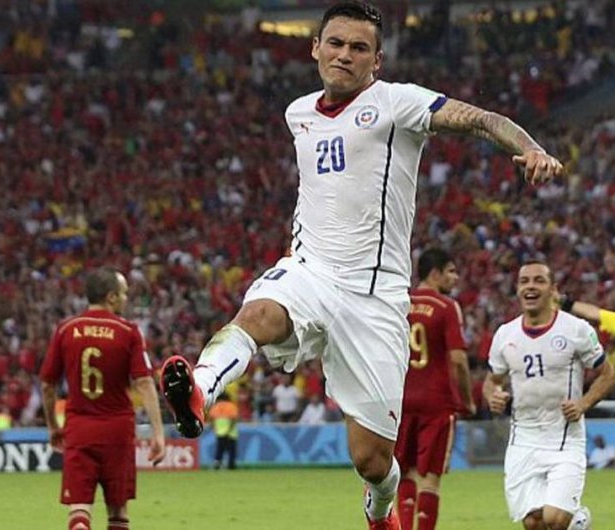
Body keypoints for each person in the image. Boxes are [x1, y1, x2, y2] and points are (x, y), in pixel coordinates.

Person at [158, 2, 563, 528]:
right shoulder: (298, 113)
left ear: (377, 59)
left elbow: (482, 119)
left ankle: (380, 508)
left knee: (371, 460)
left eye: (358, 48)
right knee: (257, 314)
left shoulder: (398, 103)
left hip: (375, 298)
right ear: (315, 47)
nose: (344, 55)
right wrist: (295, 251)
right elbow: (319, 194)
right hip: (311, 271)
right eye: (335, 43)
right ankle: (200, 389)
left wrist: (530, 148)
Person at [484, 261, 615, 530]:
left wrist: (584, 403)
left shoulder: (576, 330)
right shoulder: (504, 335)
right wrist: (493, 395)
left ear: (553, 290)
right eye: (524, 281)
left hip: (565, 439)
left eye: (539, 280)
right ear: (518, 289)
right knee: (534, 523)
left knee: (555, 519)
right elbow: (491, 381)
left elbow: (607, 373)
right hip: (523, 439)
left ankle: (576, 518)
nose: (530, 286)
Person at [40, 268, 166, 530]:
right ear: (111, 297)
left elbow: (48, 385)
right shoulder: (128, 331)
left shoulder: (66, 330)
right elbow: (143, 382)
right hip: (117, 431)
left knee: (79, 510)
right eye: (124, 294)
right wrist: (158, 432)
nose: (126, 299)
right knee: (118, 512)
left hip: (79, 429)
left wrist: (53, 426)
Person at [394, 248, 475, 530]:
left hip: (401, 399)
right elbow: (458, 360)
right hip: (436, 401)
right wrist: (467, 400)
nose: (455, 277)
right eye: (451, 271)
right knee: (430, 476)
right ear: (435, 273)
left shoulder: (399, 304)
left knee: (405, 472)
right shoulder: (446, 307)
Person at [208, 393, 239, 470]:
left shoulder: (216, 406)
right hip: (231, 433)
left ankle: (217, 464)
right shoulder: (231, 406)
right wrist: (229, 429)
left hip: (220, 432)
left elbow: (212, 419)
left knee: (220, 450)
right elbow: (234, 419)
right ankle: (231, 465)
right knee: (231, 451)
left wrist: (214, 428)